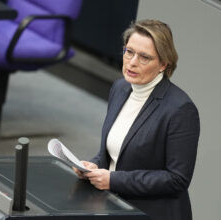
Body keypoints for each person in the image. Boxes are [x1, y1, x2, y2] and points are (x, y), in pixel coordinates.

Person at [74, 19, 200, 220]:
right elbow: (113, 153)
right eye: (129, 52)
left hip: (152, 213)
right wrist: (93, 166)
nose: (132, 62)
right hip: (114, 205)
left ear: (163, 64)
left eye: (144, 57)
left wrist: (114, 181)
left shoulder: (180, 110)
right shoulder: (120, 88)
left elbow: (177, 179)